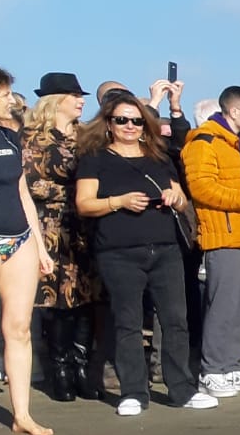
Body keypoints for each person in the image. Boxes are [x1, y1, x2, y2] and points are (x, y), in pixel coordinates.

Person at [72, 90, 209, 418]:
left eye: (136, 121)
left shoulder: (159, 157)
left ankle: (182, 389)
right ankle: (133, 391)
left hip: (165, 248)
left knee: (176, 321)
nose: (130, 126)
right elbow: (83, 203)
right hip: (119, 252)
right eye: (122, 120)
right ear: (109, 123)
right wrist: (118, 201)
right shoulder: (95, 158)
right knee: (128, 322)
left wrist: (176, 198)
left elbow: (182, 199)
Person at [181, 85, 240, 401]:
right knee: (222, 305)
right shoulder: (204, 141)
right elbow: (202, 189)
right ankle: (212, 371)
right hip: (222, 235)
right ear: (233, 112)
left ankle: (232, 366)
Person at [24, 72, 101, 404]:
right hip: (51, 228)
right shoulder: (32, 138)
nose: (82, 100)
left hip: (86, 227)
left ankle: (82, 365)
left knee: (87, 299)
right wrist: (75, 191)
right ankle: (60, 371)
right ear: (56, 101)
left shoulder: (87, 137)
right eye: (74, 95)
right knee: (58, 301)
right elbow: (28, 185)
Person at [0, 64, 56, 432]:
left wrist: (40, 244)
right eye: (1, 95)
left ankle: (22, 416)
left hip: (19, 237)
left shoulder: (9, 136)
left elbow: (22, 192)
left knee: (19, 328)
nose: (8, 101)